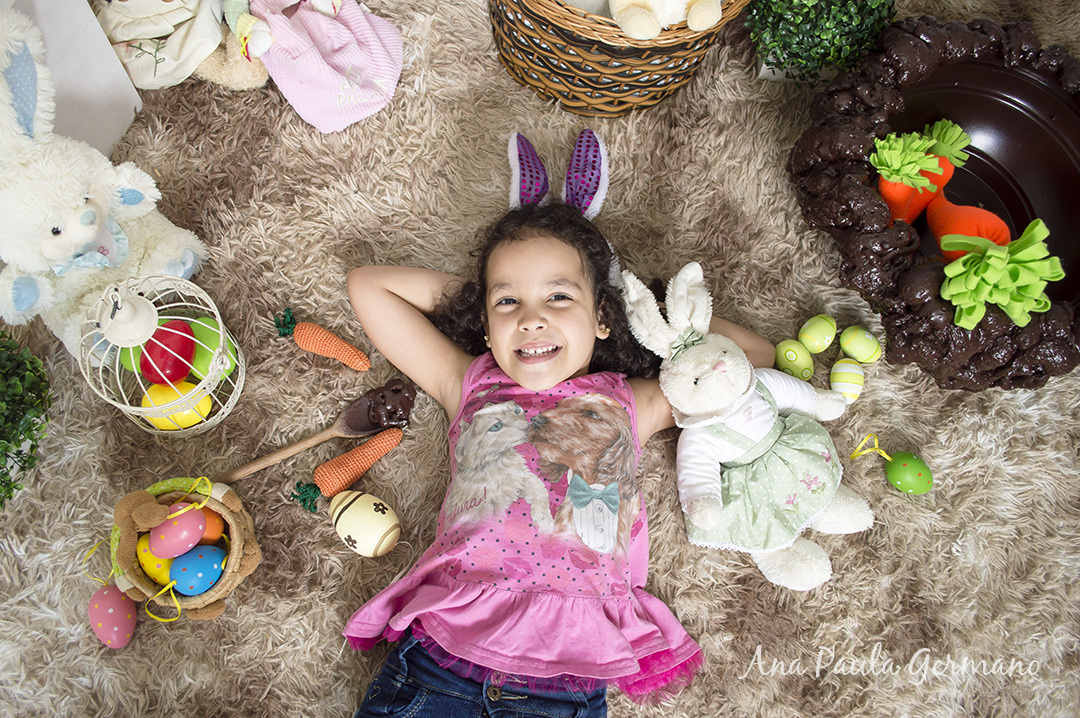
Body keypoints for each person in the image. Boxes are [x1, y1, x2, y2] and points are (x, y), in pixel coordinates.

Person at [343, 199, 774, 717]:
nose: (532, 319)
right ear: (485, 325)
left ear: (602, 318)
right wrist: (477, 302)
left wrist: (653, 319)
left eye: (558, 296)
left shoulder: (633, 402)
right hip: (442, 660)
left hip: (564, 681)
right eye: (508, 302)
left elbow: (751, 359)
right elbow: (369, 287)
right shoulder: (468, 382)